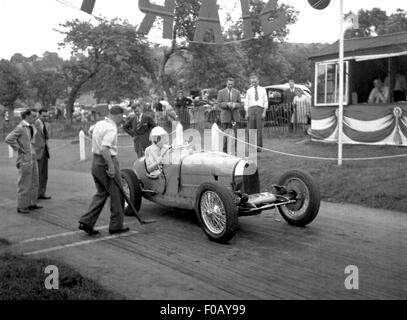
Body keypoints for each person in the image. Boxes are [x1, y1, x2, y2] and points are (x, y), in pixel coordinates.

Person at [78, 105, 129, 236]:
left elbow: (90, 132)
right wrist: (111, 167)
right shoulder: (111, 128)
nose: (121, 120)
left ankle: (86, 221)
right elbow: (105, 149)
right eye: (121, 118)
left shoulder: (99, 123)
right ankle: (116, 226)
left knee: (101, 193)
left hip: (96, 162)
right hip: (106, 161)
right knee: (117, 193)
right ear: (118, 116)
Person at [5, 108, 42, 214]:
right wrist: (18, 148)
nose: (35, 118)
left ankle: (31, 203)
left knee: (35, 181)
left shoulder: (31, 127)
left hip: (32, 155)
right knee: (24, 183)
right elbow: (9, 138)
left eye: (36, 116)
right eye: (33, 116)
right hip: (25, 157)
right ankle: (21, 206)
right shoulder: (21, 127)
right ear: (27, 116)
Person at [217, 78, 242, 153]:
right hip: (225, 116)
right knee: (225, 135)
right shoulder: (221, 92)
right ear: (226, 83)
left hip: (235, 116)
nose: (230, 85)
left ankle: (235, 151)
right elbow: (219, 103)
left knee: (235, 135)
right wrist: (227, 104)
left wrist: (235, 105)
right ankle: (225, 152)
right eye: (229, 84)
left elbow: (240, 103)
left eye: (231, 84)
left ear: (233, 84)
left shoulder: (237, 92)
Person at [245, 75, 268, 151]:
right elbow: (246, 102)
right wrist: (247, 113)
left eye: (255, 82)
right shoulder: (249, 91)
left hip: (259, 108)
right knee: (251, 128)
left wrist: (264, 112)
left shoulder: (263, 89)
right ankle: (251, 146)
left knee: (259, 128)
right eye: (252, 82)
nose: (254, 83)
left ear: (258, 81)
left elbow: (265, 101)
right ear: (250, 82)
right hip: (251, 109)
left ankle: (259, 146)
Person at [33, 109, 51, 200]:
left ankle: (42, 193)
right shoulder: (34, 124)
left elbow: (47, 137)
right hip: (37, 152)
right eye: (44, 116)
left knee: (44, 174)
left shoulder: (46, 125)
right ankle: (35, 194)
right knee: (37, 174)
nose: (45, 118)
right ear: (39, 115)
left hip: (45, 152)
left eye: (46, 116)